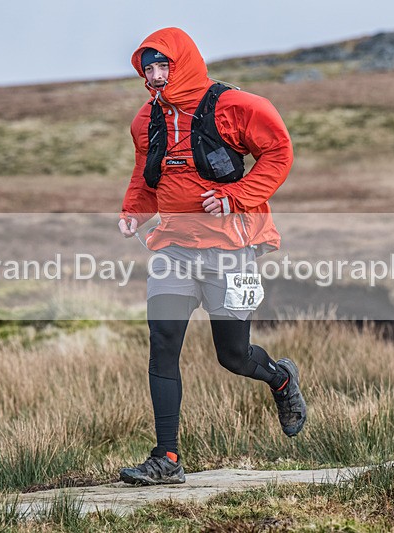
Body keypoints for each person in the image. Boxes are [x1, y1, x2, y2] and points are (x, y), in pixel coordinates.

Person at [117, 27, 306, 486]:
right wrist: (133, 214)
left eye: (164, 66)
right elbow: (147, 175)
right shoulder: (147, 120)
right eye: (149, 70)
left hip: (231, 248)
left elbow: (279, 153)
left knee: (233, 356)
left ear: (183, 63)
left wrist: (237, 196)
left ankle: (280, 379)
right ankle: (167, 459)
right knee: (162, 343)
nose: (157, 77)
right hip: (173, 249)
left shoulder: (236, 107)